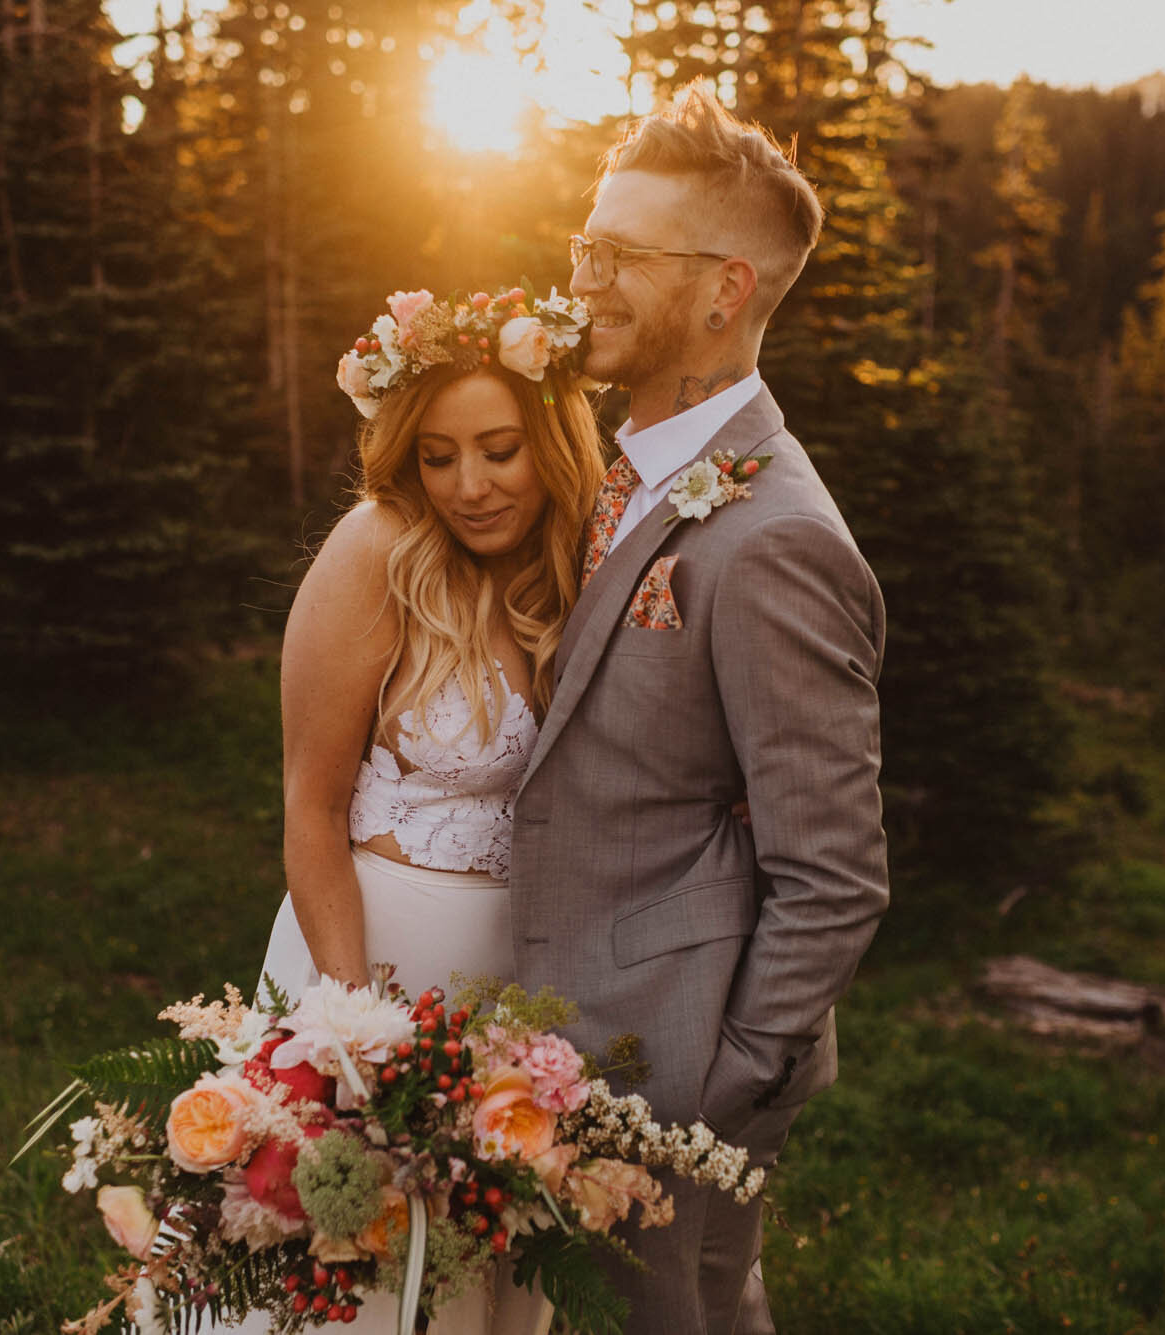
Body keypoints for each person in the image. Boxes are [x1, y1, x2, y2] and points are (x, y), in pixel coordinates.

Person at [509, 85, 889, 1335]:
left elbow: (831, 873)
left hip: (666, 1069)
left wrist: (716, 1093)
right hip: (561, 1033)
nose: (585, 277)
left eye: (621, 256)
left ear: (724, 291)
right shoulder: (617, 461)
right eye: (584, 242)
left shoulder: (772, 539)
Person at [228, 284, 604, 1335]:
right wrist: (357, 1040)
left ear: (551, 443)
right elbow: (309, 807)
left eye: (497, 449)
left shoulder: (582, 569)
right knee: (353, 1278)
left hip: (519, 1005)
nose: (469, 486)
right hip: (371, 972)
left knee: (489, 1285)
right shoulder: (376, 548)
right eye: (437, 455)